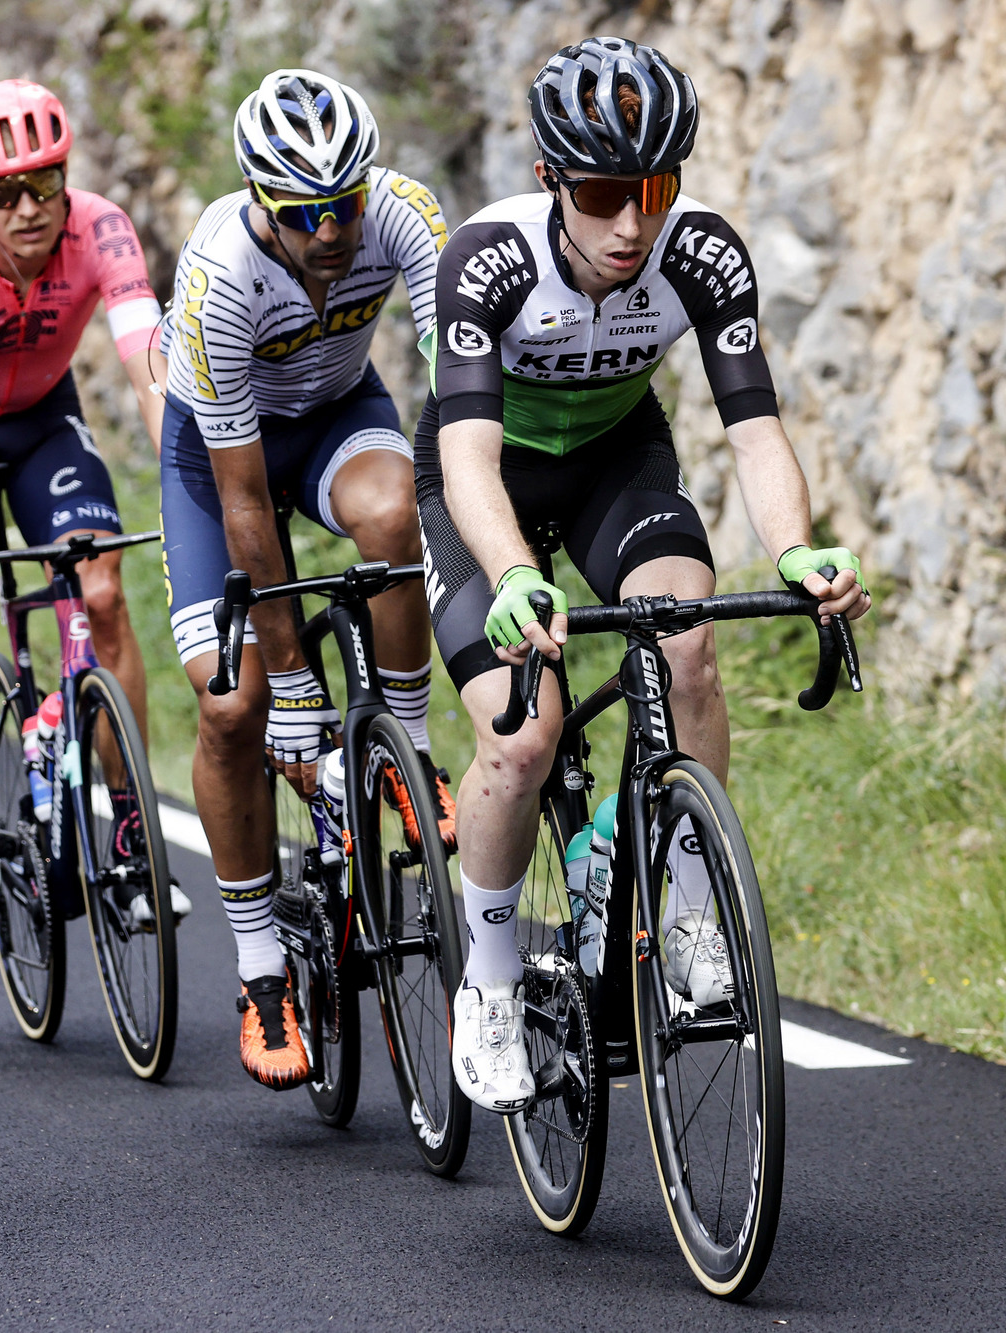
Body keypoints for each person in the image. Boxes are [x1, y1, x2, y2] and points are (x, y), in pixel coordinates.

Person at [424, 38, 870, 1112]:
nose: (631, 222)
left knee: (686, 644)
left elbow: (754, 435)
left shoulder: (702, 253)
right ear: (549, 181)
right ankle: (484, 986)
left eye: (655, 188)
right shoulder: (486, 259)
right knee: (520, 735)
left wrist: (795, 550)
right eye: (601, 192)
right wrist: (513, 574)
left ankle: (681, 906)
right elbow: (466, 459)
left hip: (616, 464)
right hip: (480, 484)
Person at [155, 69, 452, 1090]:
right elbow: (246, 507)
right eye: (304, 213)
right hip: (218, 462)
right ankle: (259, 969)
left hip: (333, 414)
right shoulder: (217, 280)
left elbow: (460, 376)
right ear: (259, 201)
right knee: (230, 704)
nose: (331, 230)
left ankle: (405, 755)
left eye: (345, 204)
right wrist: (290, 686)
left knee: (391, 513)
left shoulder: (402, 213)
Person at [0, 79, 172, 902]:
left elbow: (148, 366)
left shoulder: (104, 229)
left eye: (44, 184)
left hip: (45, 418)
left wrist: (195, 486)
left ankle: (129, 828)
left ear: (65, 179)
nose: (27, 208)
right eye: (1, 193)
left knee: (105, 589)